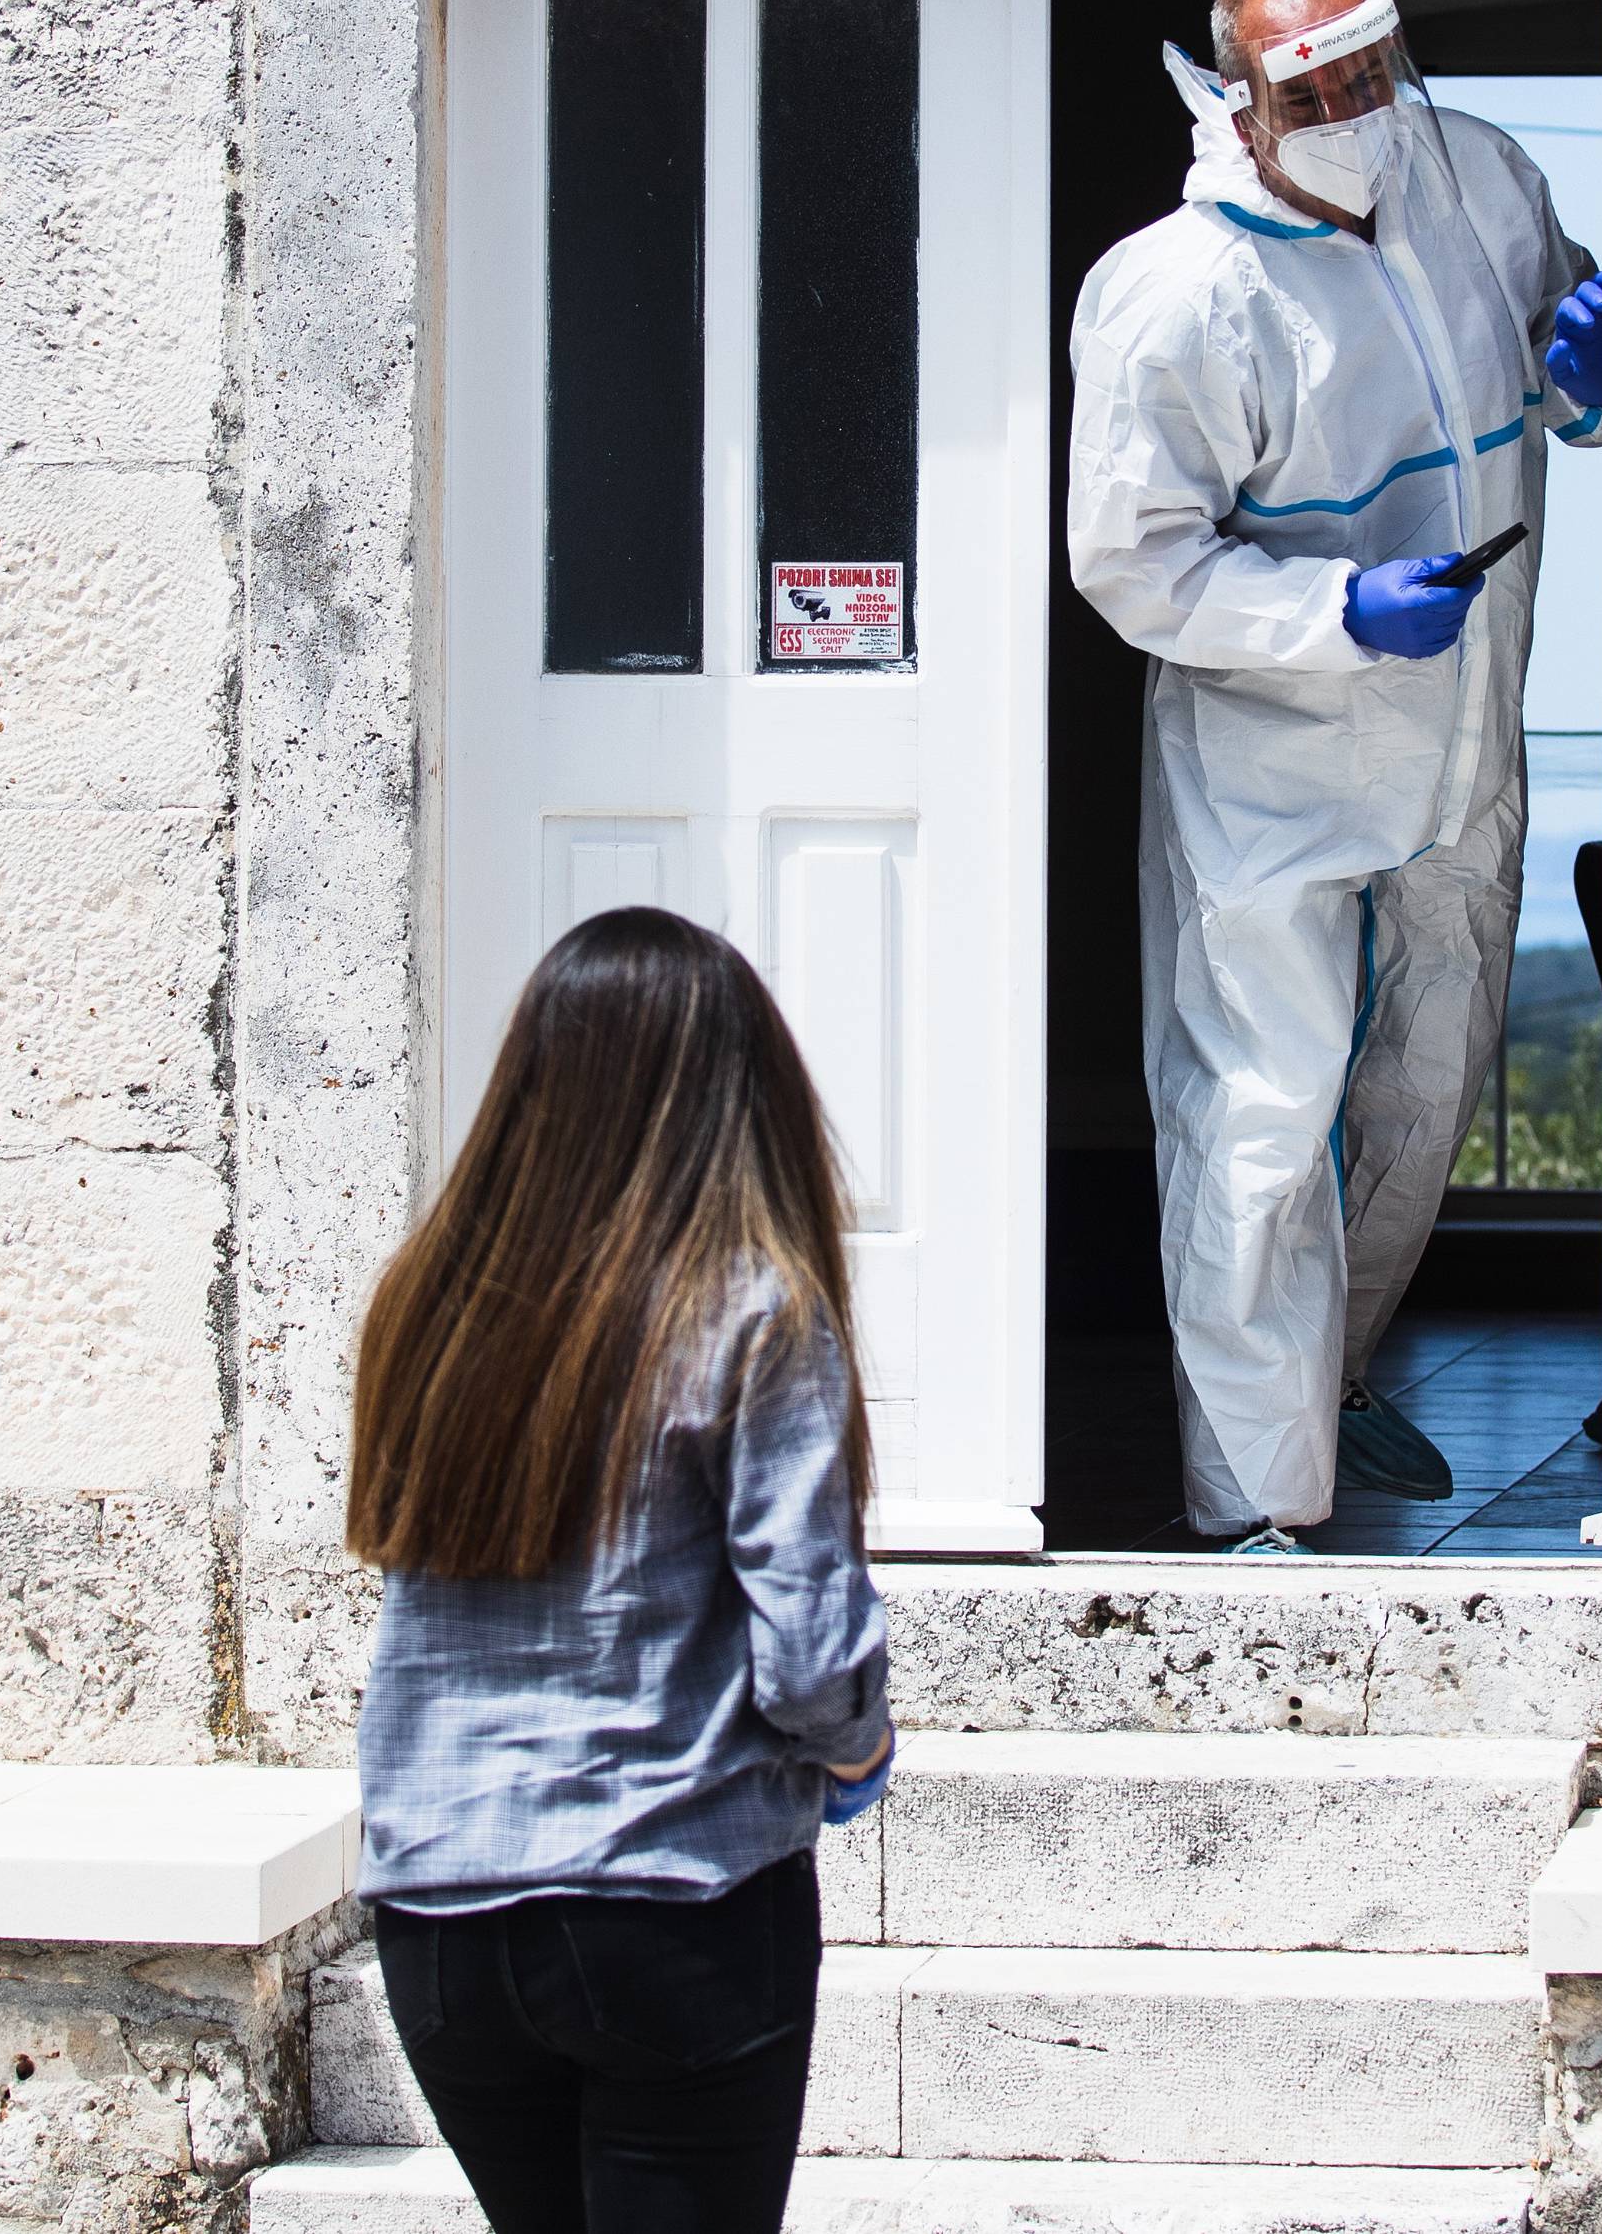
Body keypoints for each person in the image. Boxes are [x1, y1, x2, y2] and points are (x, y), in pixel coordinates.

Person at [1069, 0, 1602, 1555]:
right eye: (1310, 91)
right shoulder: (1177, 291)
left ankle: (1335, 1373)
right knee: (1259, 1111)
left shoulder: (1479, 176)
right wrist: (1337, 613)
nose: (1353, 111)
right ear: (1235, 100)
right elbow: (1134, 564)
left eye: (1369, 71)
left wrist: (1586, 386)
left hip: (1464, 735)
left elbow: (1562, 355)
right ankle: (1255, 1505)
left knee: (1427, 1082)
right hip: (1275, 761)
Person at [347, 906, 894, 2234]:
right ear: (738, 1092)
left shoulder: (430, 1300)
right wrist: (856, 1751)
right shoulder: (753, 1308)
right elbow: (810, 1650)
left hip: (440, 1912)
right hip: (672, 1900)